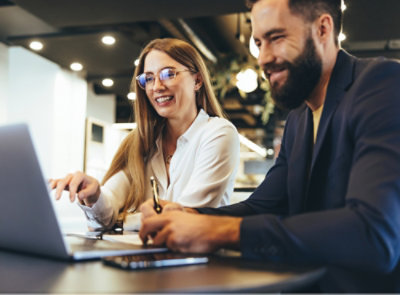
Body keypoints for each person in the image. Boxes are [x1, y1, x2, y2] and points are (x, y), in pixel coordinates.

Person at [139, 0, 400, 292]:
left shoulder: (381, 84)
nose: (263, 58)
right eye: (258, 43)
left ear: (323, 29)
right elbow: (263, 206)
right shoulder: (299, 118)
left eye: (276, 38)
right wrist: (190, 215)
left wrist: (226, 231)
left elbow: (374, 234)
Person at [50, 38, 240, 230]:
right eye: (148, 78)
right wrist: (94, 195)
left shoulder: (218, 133)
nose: (156, 86)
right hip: (143, 257)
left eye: (168, 74)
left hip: (199, 257)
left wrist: (120, 222)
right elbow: (107, 208)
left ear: (197, 80)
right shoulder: (142, 143)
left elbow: (185, 217)